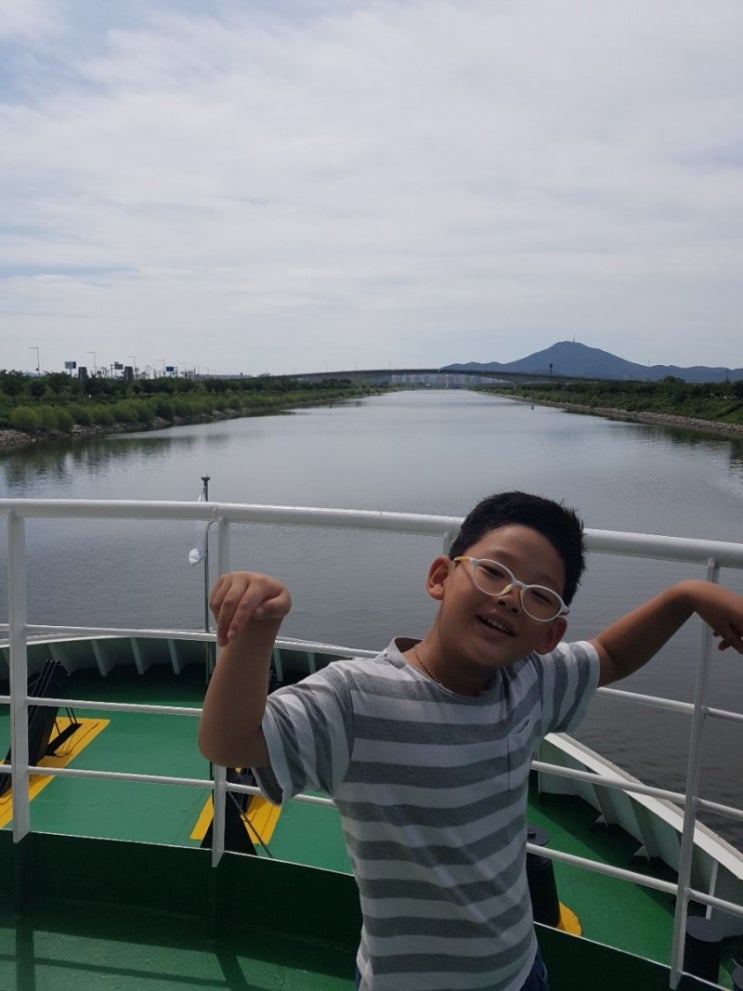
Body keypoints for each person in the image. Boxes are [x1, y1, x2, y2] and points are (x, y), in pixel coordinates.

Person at [198, 491, 743, 991]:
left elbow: (612, 657)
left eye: (538, 596)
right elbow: (232, 743)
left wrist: (685, 596)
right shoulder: (358, 698)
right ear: (440, 576)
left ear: (549, 634)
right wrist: (257, 633)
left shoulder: (531, 682)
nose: (509, 597)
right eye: (493, 571)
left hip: (518, 971)